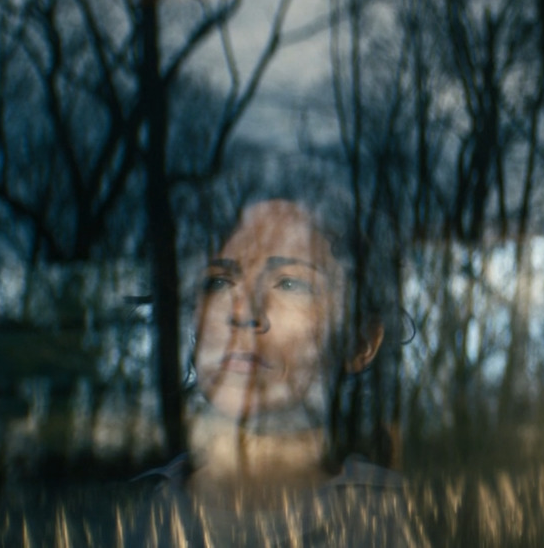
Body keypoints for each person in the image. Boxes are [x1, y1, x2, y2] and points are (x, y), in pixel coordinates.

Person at [134, 198, 420, 547]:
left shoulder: (395, 519)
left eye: (289, 284)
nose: (243, 312)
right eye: (219, 282)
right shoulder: (127, 513)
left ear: (361, 343)